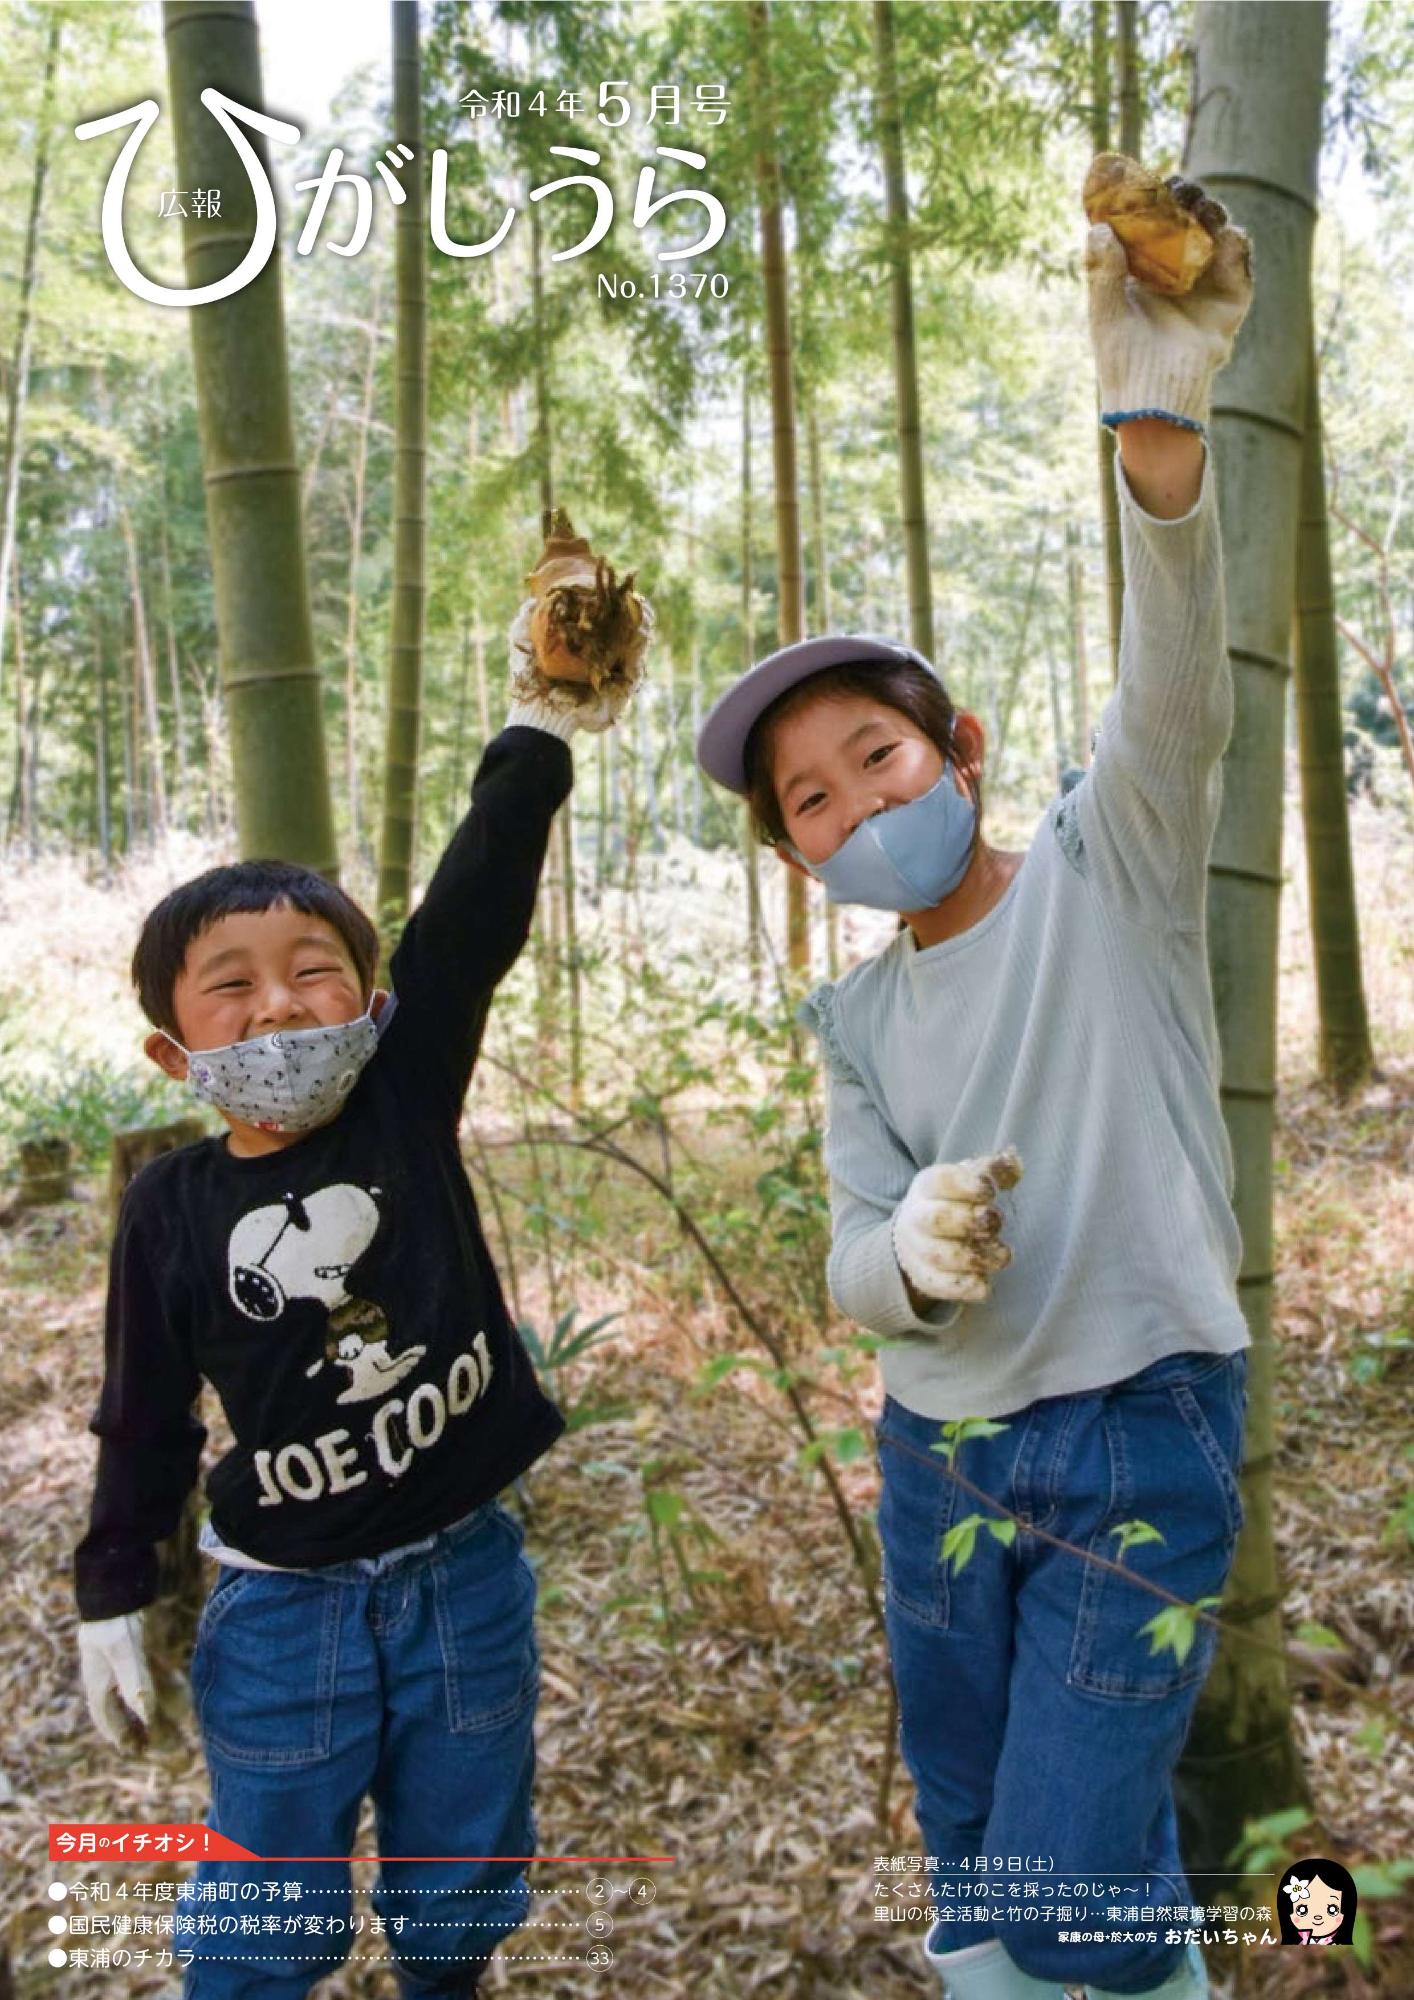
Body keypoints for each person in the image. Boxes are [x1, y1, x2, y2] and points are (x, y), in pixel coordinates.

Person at [694, 188, 1254, 2000]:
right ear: (797, 859)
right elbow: (852, 1259)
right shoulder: (852, 1020)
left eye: (878, 756)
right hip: (939, 1453)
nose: (856, 807)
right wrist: (910, 1261)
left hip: (1136, 1435)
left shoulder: (1112, 863)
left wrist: (1154, 438)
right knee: (970, 1835)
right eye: (812, 802)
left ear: (964, 753)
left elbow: (1177, 695)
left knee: (1062, 1877)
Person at [73, 569, 650, 2000]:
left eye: (315, 968)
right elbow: (143, 1419)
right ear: (173, 1051)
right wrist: (110, 1586)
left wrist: (540, 725)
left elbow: (471, 909)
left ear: (373, 1001)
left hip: (467, 1581)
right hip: (282, 1612)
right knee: (269, 1925)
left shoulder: (400, 1102)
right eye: (231, 984)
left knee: (458, 1894)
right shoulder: (170, 1211)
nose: (279, 1002)